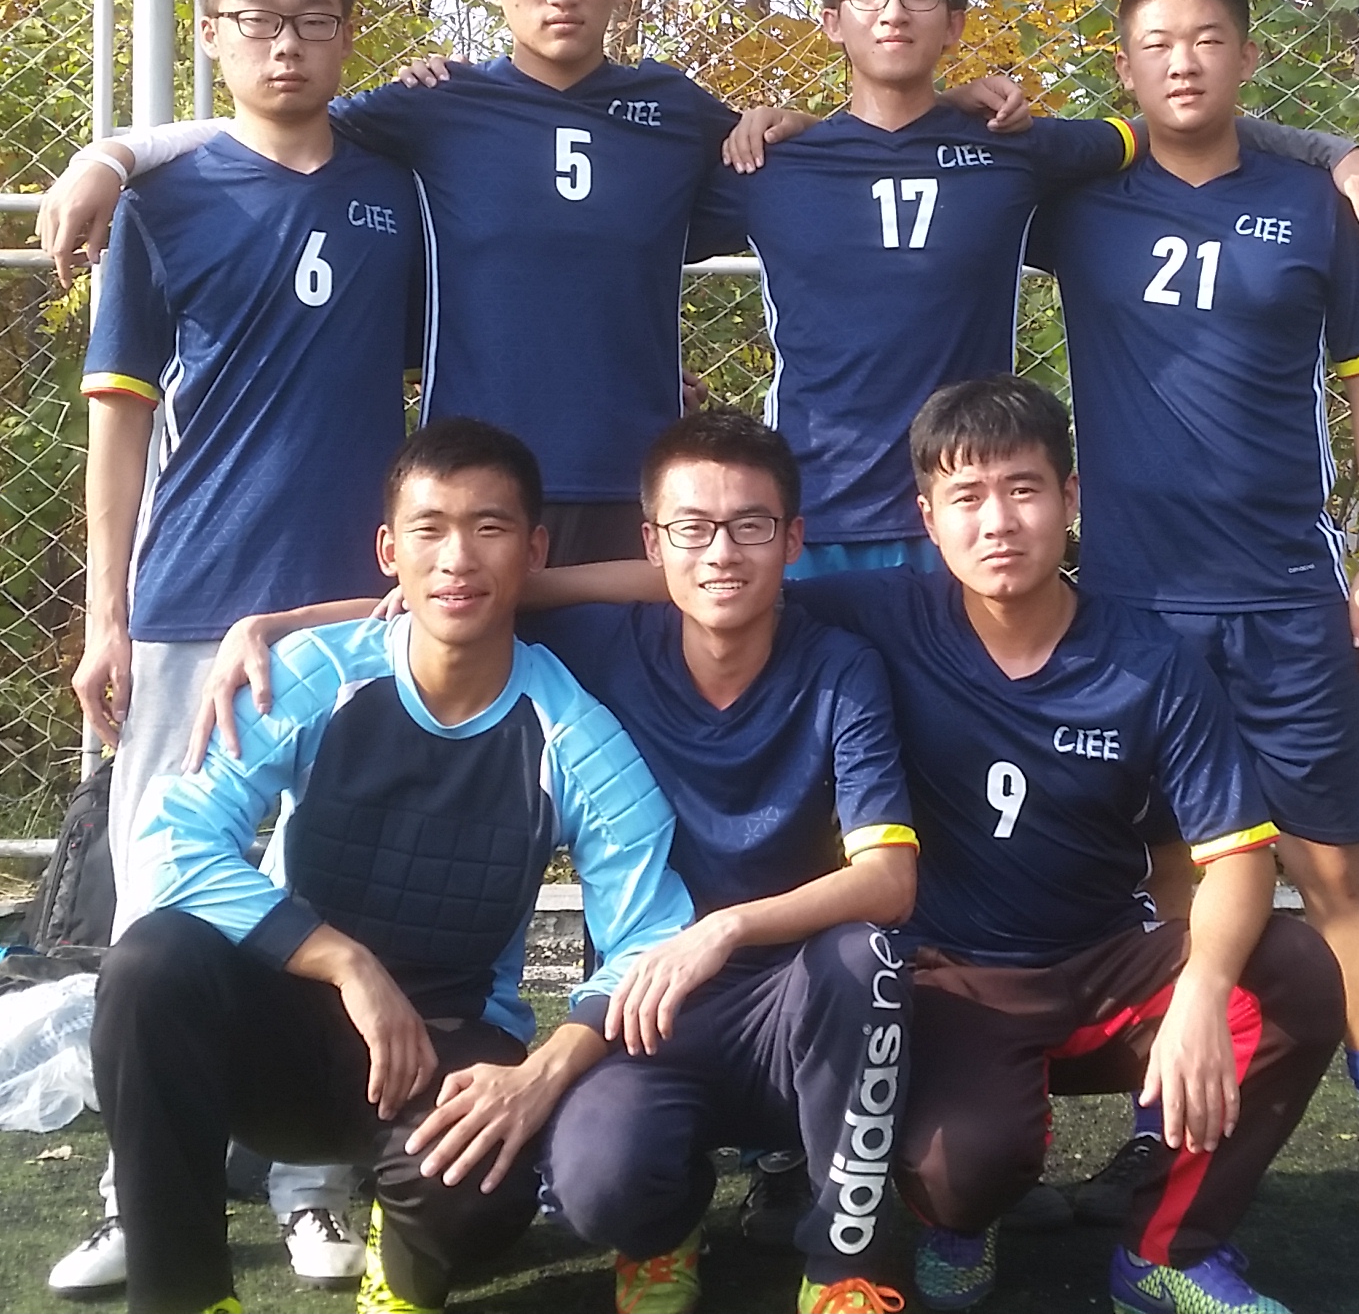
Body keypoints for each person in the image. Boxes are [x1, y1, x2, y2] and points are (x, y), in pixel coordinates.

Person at [208, 411, 923, 1314]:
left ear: (792, 538)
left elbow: (889, 882)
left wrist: (726, 928)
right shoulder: (596, 647)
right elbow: (455, 597)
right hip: (645, 1000)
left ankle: (845, 1264)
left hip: (793, 995)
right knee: (595, 1184)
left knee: (866, 957)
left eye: (750, 525)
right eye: (691, 527)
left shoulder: (842, 666)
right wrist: (273, 625)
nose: (721, 553)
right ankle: (663, 1229)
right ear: (652, 543)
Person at [1029, 0, 1359, 1248]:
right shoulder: (1079, 201)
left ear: (1245, 57)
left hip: (1286, 599)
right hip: (1136, 604)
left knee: (1335, 873)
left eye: (1208, 39)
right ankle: (1162, 1131)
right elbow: (971, 153)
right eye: (1157, 43)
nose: (1183, 62)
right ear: (1124, 67)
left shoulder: (1305, 203)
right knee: (1178, 883)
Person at [91, 419, 696, 1314]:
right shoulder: (311, 676)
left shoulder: (575, 735)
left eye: (489, 528)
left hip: (448, 1041)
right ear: (389, 551)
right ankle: (183, 1296)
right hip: (288, 1028)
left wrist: (540, 1075)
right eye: (430, 529)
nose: (458, 559)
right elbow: (170, 843)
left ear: (534, 551)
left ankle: (408, 1254)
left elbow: (651, 936)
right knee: (150, 967)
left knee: (480, 1194)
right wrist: (345, 962)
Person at [38, 0, 762, 564]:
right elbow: (276, 127)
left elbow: (775, 174)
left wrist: (781, 122)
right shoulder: (435, 105)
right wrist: (113, 155)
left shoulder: (673, 110)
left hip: (638, 483)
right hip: (473, 489)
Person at [796, 378, 1345, 1314]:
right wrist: (537, 589)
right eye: (966, 497)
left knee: (1293, 971)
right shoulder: (876, 615)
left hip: (1106, 967)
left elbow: (1237, 856)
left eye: (1024, 489)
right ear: (928, 520)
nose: (998, 522)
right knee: (962, 1170)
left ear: (1070, 498)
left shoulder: (1149, 658)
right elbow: (717, 584)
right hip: (955, 980)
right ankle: (962, 1217)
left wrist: (1203, 992)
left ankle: (1167, 1253)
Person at [56, 0, 412, 1296]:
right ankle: (145, 1188)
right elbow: (120, 423)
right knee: (164, 905)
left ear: (347, 32)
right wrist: (105, 614)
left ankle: (317, 1183)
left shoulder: (401, 192)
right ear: (210, 35)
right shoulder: (164, 202)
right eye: (257, 19)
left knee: (323, 884)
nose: (286, 42)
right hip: (189, 600)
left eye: (314, 17)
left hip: (352, 608)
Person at [717, 0, 1359, 576]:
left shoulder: (1015, 150)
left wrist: (1329, 151)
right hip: (814, 520)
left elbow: (1175, 122)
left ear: (954, 24)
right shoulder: (769, 165)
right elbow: (652, 235)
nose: (893, 11)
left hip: (972, 528)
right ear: (832, 21)